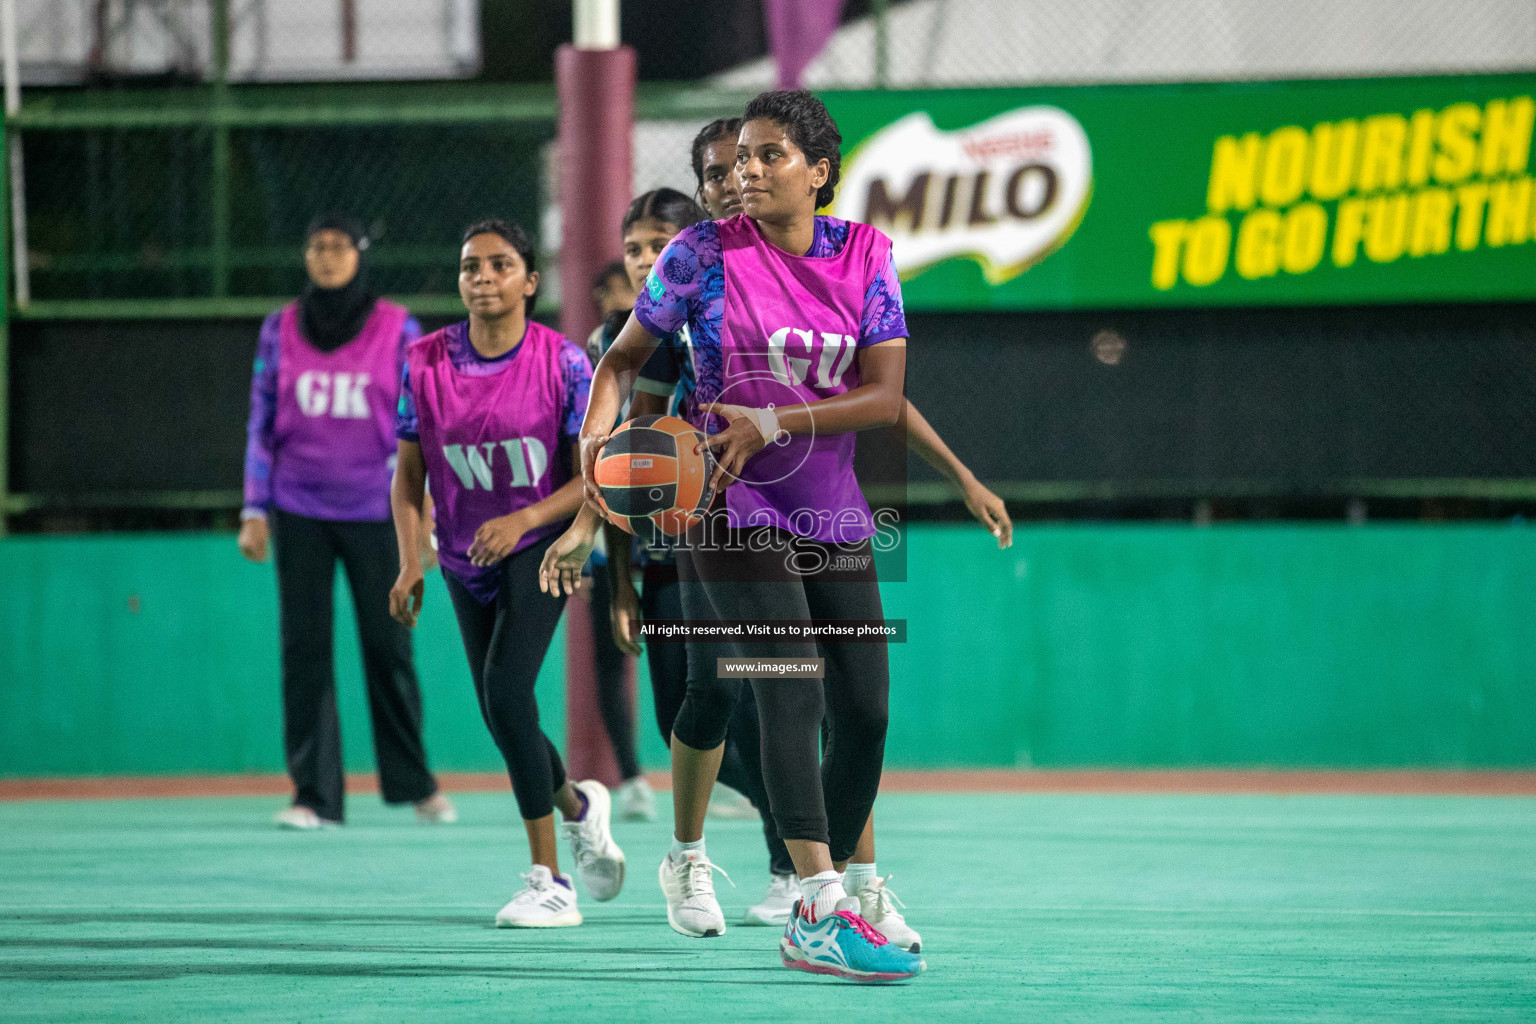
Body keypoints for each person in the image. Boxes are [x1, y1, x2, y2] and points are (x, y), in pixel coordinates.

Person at [553, 91, 927, 982]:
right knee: (788, 687)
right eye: (741, 158)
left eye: (768, 157)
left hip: (827, 501)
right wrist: (595, 436)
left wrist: (777, 418)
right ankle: (819, 905)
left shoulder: (868, 255)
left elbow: (882, 396)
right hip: (723, 502)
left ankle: (852, 879)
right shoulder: (699, 254)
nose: (747, 172)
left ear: (819, 172)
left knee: (867, 711)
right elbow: (622, 358)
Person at [389, 219, 625, 928]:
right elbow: (408, 482)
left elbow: (596, 474)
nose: (482, 278)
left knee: (505, 687)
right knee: (503, 713)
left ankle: (550, 880)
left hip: (542, 546)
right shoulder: (423, 362)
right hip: (463, 551)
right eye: (470, 267)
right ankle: (579, 807)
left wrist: (525, 521)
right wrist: (410, 560)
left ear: (530, 280)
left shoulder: (562, 364)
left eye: (498, 266)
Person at [239, 213, 455, 831]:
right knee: (303, 650)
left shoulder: (397, 327)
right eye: (316, 247)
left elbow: (418, 426)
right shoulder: (278, 328)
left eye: (339, 247)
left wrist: (427, 513)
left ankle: (415, 784)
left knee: (389, 646)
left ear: (360, 254)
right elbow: (261, 420)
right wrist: (255, 507)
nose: (327, 257)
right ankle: (314, 795)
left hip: (377, 510)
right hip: (298, 507)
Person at [581, 261, 658, 823]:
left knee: (703, 659)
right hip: (616, 518)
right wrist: (585, 537)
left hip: (675, 518)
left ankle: (732, 769)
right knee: (614, 651)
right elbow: (592, 444)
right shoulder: (602, 346)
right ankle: (631, 775)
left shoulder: (688, 328)